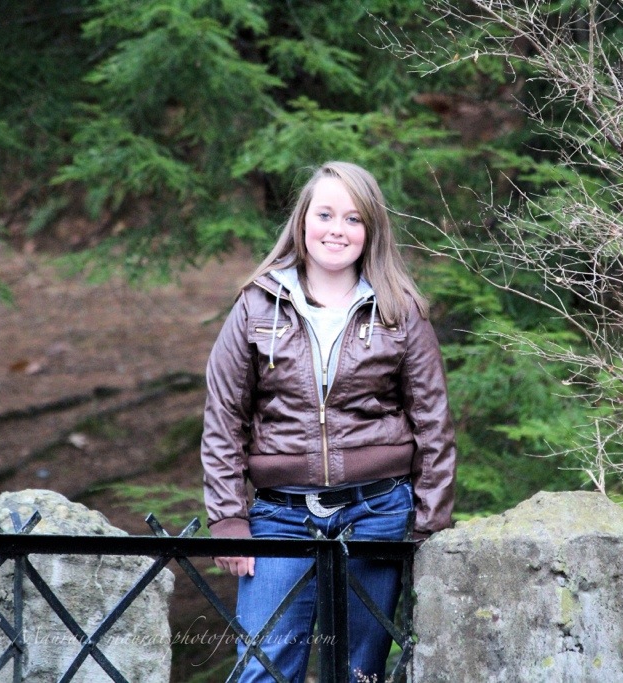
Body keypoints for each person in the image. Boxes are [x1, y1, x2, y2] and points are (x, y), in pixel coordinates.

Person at [200, 160, 457, 682]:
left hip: (378, 514)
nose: (337, 230)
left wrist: (429, 525)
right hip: (279, 517)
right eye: (325, 214)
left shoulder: (400, 311)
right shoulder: (256, 305)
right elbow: (224, 417)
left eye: (353, 218)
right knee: (264, 670)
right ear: (302, 221)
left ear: (371, 230)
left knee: (360, 673)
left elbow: (433, 424)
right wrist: (228, 518)